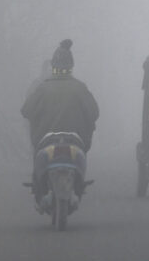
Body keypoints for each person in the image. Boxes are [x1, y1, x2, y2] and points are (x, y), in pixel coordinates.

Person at [21, 39, 99, 205]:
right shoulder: (79, 88)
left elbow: (26, 111)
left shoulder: (42, 88)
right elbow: (94, 113)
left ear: (53, 66)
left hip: (45, 141)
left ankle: (38, 187)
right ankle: (79, 185)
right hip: (76, 141)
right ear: (71, 66)